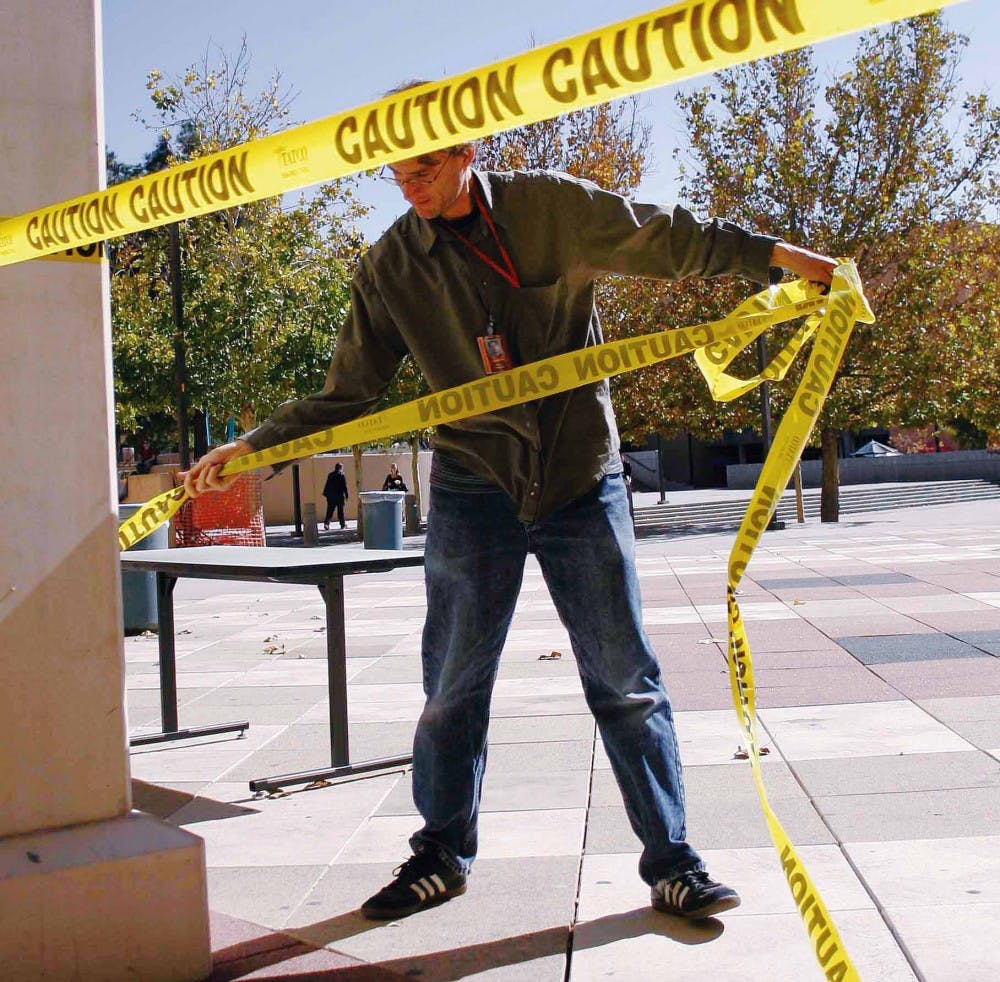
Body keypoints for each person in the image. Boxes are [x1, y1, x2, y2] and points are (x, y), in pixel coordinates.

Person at [183, 132, 836, 923]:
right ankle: (441, 856)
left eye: (424, 167)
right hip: (473, 483)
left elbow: (669, 237)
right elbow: (349, 390)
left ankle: (673, 862)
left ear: (468, 149)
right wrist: (257, 445)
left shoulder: (549, 208)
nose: (410, 186)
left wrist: (779, 258)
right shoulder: (390, 265)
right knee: (452, 686)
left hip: (577, 474)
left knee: (624, 678)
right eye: (396, 172)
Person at [322, 462, 349, 530]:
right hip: (339, 496)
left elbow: (327, 485)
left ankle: (326, 524)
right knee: (340, 511)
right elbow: (344, 486)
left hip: (331, 496)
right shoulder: (342, 475)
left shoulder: (330, 475)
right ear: (340, 468)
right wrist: (346, 494)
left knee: (329, 511)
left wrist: (326, 494)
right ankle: (342, 524)